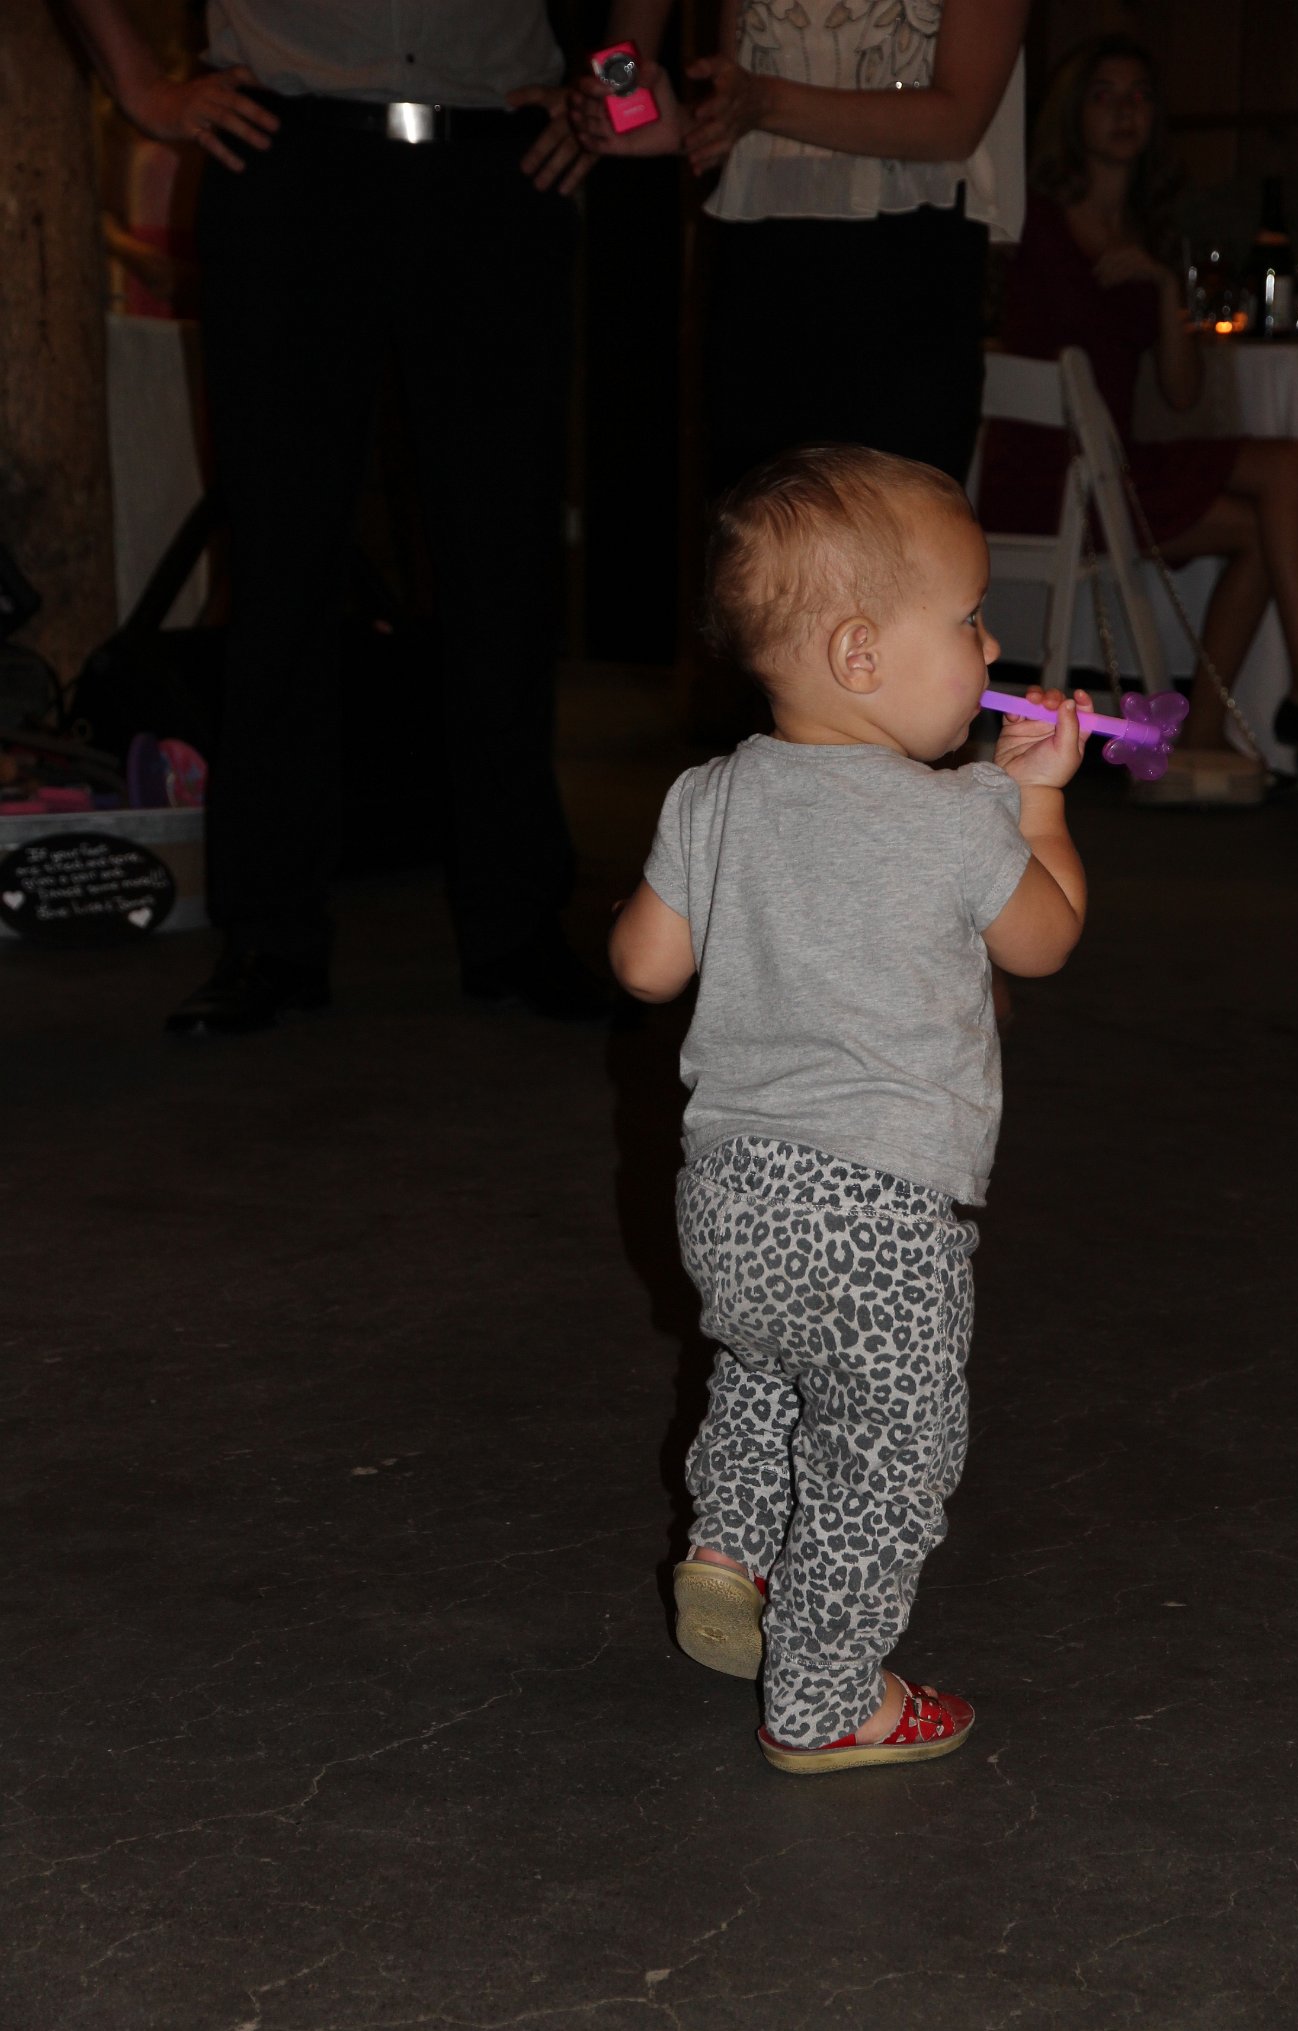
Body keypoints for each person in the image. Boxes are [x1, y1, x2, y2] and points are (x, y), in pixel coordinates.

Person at [609, 444, 1087, 1770]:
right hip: (881, 1213)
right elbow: (1044, 939)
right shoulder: (958, 818)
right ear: (862, 654)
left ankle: (731, 1547)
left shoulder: (708, 796)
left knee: (766, 1363)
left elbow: (643, 966)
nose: (991, 649)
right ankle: (826, 1696)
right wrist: (1041, 804)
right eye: (970, 619)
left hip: (727, 1198)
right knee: (886, 1450)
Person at [63, 0, 669, 1031]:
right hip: (287, 151)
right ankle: (269, 936)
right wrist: (142, 89)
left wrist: (614, 95)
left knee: (505, 565)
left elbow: (631, 33)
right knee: (281, 565)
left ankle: (519, 925)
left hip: (498, 159)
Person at [977, 35, 1298, 755]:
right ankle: (1279, 700)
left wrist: (1161, 285)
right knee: (1271, 498)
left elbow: (1181, 393)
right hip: (1048, 475)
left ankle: (1247, 714)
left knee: (1283, 474)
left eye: (1140, 97)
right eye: (1105, 96)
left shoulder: (1148, 230)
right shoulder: (1035, 220)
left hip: (1109, 467)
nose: (1125, 111)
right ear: (1074, 114)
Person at [574, 0, 1030, 491]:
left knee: (888, 527)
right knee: (755, 524)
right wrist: (637, 106)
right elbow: (720, 99)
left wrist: (762, 103)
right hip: (759, 273)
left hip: (905, 275)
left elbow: (957, 123)